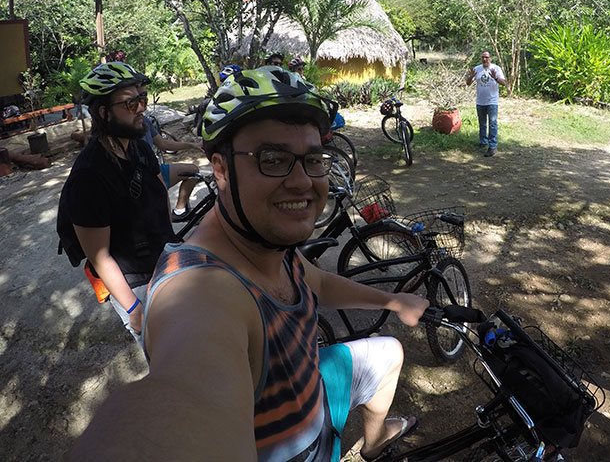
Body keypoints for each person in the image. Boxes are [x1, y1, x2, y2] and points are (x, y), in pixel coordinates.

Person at [69, 66, 428, 462]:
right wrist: (137, 312)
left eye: (313, 159)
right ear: (221, 170)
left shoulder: (269, 241)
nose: (302, 181)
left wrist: (393, 301)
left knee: (389, 353)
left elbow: (317, 282)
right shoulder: (201, 294)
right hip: (286, 439)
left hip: (309, 391)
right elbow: (182, 397)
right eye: (272, 159)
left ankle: (376, 441)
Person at [58, 62, 176, 341]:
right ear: (103, 112)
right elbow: (101, 257)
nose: (142, 108)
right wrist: (134, 308)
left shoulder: (140, 148)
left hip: (166, 264)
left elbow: (161, 201)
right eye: (130, 103)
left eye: (142, 99)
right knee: (166, 362)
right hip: (135, 283)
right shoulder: (88, 178)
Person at [142, 116, 204, 221]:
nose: (140, 107)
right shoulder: (122, 126)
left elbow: (164, 144)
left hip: (156, 171)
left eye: (143, 101)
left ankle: (180, 211)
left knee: (193, 172)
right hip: (141, 181)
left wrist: (192, 145)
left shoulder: (144, 121)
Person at [465, 51, 506, 157]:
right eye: (483, 57)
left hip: (492, 101)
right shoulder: (477, 69)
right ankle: (483, 142)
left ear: (490, 58)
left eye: (486, 57)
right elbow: (468, 83)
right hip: (480, 101)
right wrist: (470, 77)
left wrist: (495, 78)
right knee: (482, 123)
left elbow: (504, 83)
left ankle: (492, 147)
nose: (484, 59)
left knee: (492, 124)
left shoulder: (496, 68)